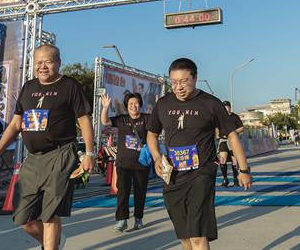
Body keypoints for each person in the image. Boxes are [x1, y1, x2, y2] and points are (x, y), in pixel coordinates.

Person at [0, 44, 95, 250]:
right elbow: (16, 124)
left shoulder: (69, 86)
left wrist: (89, 153)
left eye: (48, 61)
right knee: (24, 219)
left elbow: (84, 120)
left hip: (61, 153)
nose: (42, 66)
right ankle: (54, 243)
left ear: (58, 63)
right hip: (33, 159)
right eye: (38, 62)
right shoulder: (29, 87)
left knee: (50, 212)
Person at [146, 58, 252, 250]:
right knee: (184, 237)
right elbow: (151, 134)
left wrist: (244, 169)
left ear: (195, 79)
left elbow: (232, 137)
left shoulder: (210, 104)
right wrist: (156, 157)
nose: (178, 87)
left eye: (184, 81)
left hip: (201, 174)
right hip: (173, 177)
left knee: (196, 234)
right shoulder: (163, 104)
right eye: (174, 82)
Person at [100, 92, 150, 232]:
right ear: (127, 106)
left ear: (140, 105)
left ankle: (138, 218)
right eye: (130, 104)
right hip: (123, 163)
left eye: (136, 103)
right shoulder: (121, 119)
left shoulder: (146, 119)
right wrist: (105, 107)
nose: (133, 106)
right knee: (123, 192)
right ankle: (122, 220)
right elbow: (105, 122)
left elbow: (158, 126)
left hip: (142, 163)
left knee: (140, 192)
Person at [217, 101, 244, 188]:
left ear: (230, 107)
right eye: (224, 107)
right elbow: (216, 127)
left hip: (232, 141)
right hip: (223, 140)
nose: (226, 108)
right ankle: (225, 179)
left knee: (234, 161)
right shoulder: (220, 117)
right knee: (222, 160)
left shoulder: (234, 116)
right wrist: (217, 134)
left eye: (227, 107)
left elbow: (241, 128)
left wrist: (233, 133)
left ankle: (236, 179)